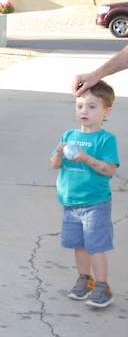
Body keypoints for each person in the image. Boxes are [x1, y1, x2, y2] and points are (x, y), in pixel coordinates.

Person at [50, 81, 119, 308]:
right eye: (80, 106)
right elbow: (54, 164)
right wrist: (59, 154)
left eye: (91, 107)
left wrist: (85, 158)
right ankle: (84, 280)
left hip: (95, 203)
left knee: (95, 246)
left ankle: (102, 286)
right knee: (79, 246)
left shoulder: (105, 139)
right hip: (70, 203)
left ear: (106, 111)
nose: (84, 111)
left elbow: (109, 170)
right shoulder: (68, 135)